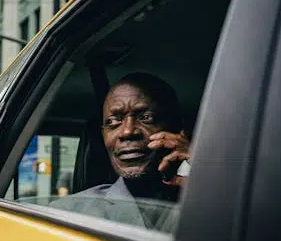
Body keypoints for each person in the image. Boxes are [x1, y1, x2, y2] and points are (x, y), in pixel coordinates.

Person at [50, 72, 191, 231]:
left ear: (178, 130)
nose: (127, 132)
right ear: (103, 135)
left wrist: (200, 162)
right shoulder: (68, 213)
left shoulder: (210, 201)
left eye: (146, 117)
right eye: (113, 121)